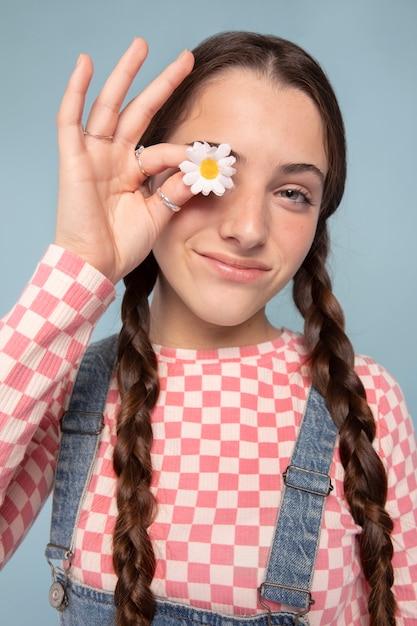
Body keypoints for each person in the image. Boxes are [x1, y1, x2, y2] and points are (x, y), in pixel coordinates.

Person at [0, 30, 416, 626]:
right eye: (212, 167)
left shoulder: (365, 404)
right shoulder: (66, 385)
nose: (248, 228)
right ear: (149, 174)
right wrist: (79, 264)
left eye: (293, 192)